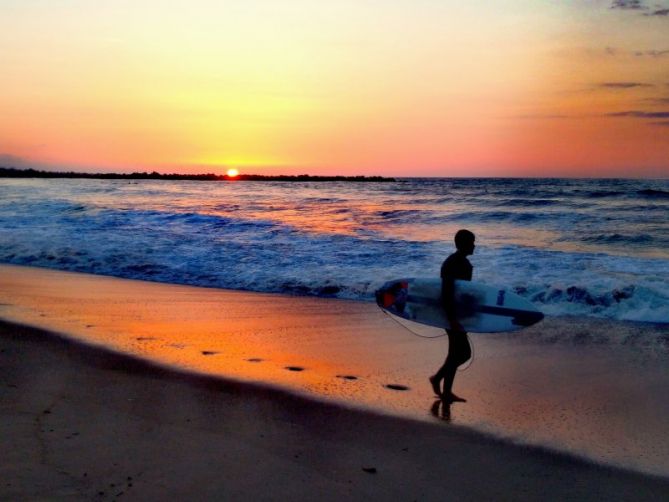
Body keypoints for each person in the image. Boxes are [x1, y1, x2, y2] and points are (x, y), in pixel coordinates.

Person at [429, 229, 475, 402]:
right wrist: (453, 319)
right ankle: (438, 379)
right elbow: (447, 292)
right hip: (451, 314)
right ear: (463, 244)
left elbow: (461, 293)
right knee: (463, 353)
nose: (474, 246)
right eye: (471, 242)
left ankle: (446, 389)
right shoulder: (456, 263)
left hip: (454, 314)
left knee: (456, 352)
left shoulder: (459, 262)